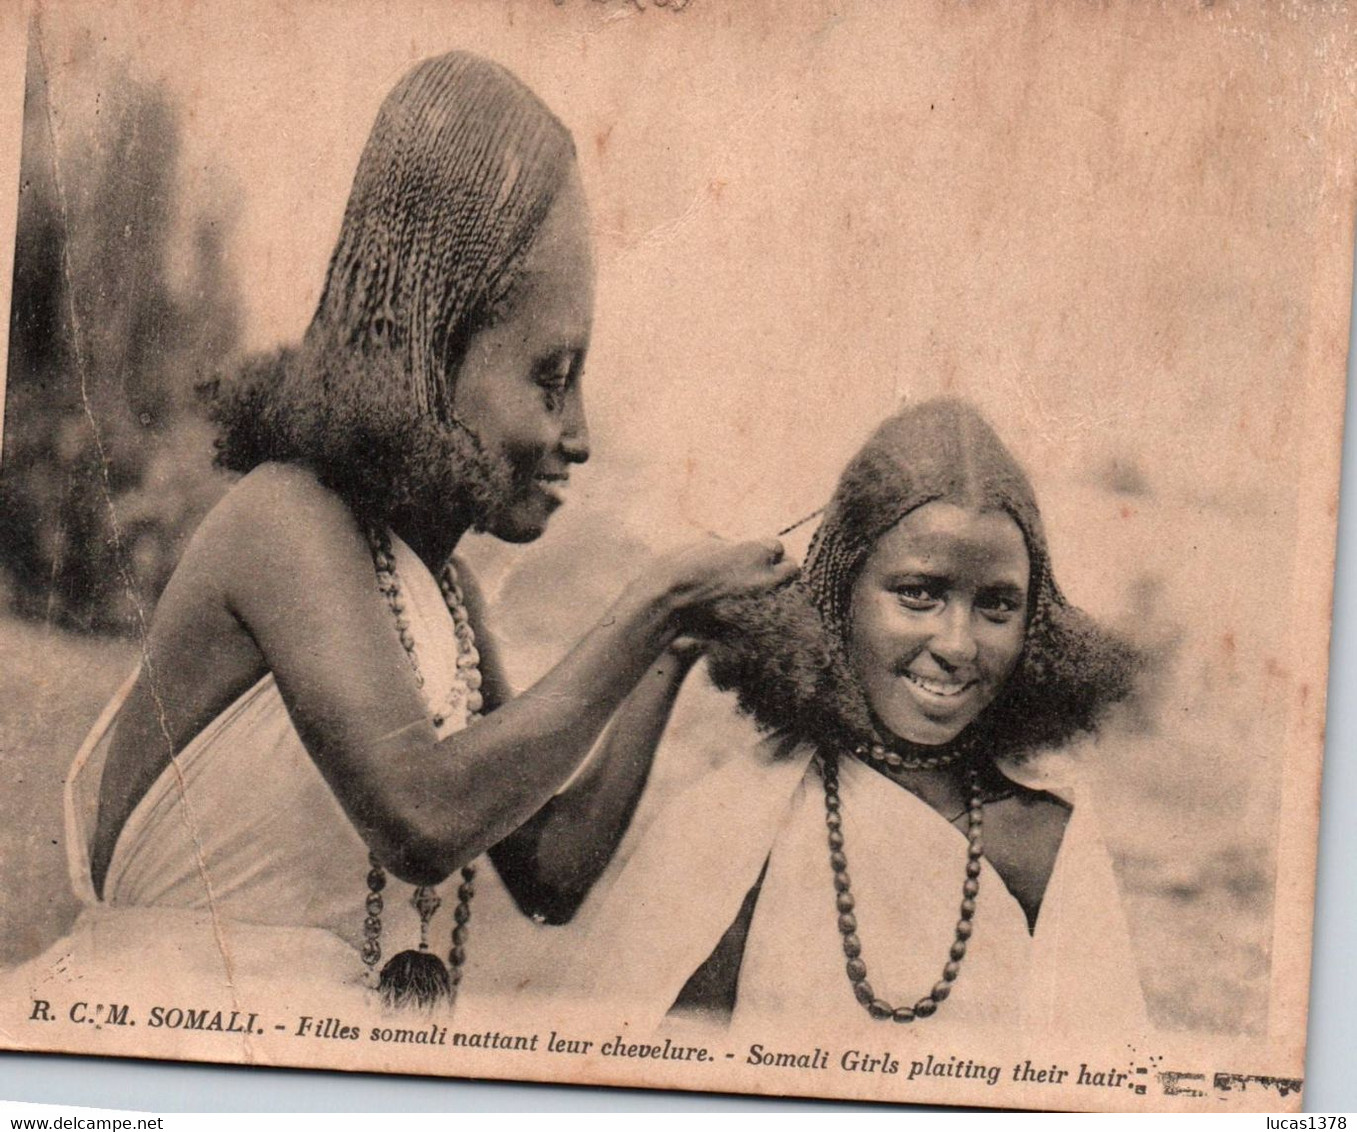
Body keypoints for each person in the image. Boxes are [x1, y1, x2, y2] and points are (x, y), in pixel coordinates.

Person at [5, 51, 794, 1025]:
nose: (577, 435)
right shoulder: (284, 519)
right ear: (432, 348)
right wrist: (653, 602)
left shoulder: (443, 594)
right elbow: (424, 817)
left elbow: (550, 868)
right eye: (551, 378)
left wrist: (671, 650)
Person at [557, 397, 1150, 1038]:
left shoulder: (1047, 843)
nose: (957, 644)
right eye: (918, 594)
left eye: (997, 605)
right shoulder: (737, 827)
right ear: (841, 596)